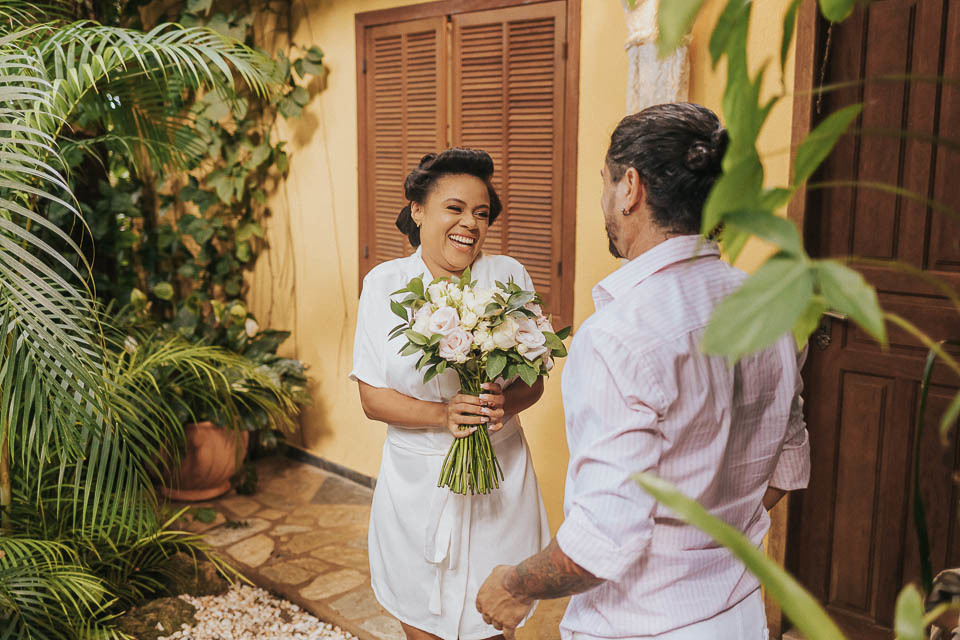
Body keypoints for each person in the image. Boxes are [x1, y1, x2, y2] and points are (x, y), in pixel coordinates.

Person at [475, 102, 810, 640]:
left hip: (643, 625)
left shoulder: (616, 338)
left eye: (605, 183)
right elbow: (783, 471)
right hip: (739, 612)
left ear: (629, 187)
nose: (604, 200)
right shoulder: (775, 308)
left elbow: (599, 544)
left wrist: (514, 584)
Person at [350, 148, 551, 640]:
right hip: (417, 484)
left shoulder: (509, 277)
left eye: (482, 214)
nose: (471, 224)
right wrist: (445, 415)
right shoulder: (385, 285)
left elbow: (534, 379)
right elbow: (373, 398)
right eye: (455, 208)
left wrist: (503, 404)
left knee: (494, 621)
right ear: (418, 210)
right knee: (421, 622)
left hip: (498, 481)